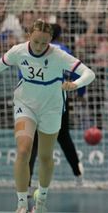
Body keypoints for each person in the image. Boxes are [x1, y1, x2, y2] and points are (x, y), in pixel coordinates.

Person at [0, 19, 96, 213]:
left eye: (44, 43)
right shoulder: (18, 51)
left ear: (50, 40)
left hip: (51, 108)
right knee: (23, 150)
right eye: (36, 42)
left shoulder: (58, 55)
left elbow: (89, 73)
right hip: (25, 105)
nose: (40, 46)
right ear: (29, 36)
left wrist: (76, 84)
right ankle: (22, 204)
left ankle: (41, 199)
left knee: (46, 156)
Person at [28, 23, 85, 190]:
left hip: (35, 99)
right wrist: (80, 93)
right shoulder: (64, 50)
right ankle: (78, 176)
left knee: (34, 140)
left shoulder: (32, 49)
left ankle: (28, 184)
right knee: (64, 137)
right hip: (57, 99)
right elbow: (78, 73)